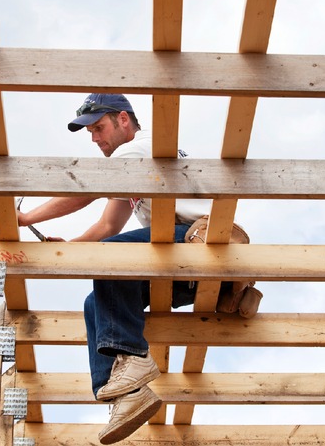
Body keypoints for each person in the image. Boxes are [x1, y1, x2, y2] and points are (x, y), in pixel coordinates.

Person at [15, 93, 209, 444]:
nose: (95, 138)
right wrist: (69, 252)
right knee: (95, 302)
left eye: (98, 127)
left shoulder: (138, 147)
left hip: (196, 244)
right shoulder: (134, 166)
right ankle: (124, 396)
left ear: (123, 120)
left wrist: (26, 217)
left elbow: (87, 190)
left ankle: (134, 360)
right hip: (179, 268)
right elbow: (107, 228)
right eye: (89, 132)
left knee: (109, 258)